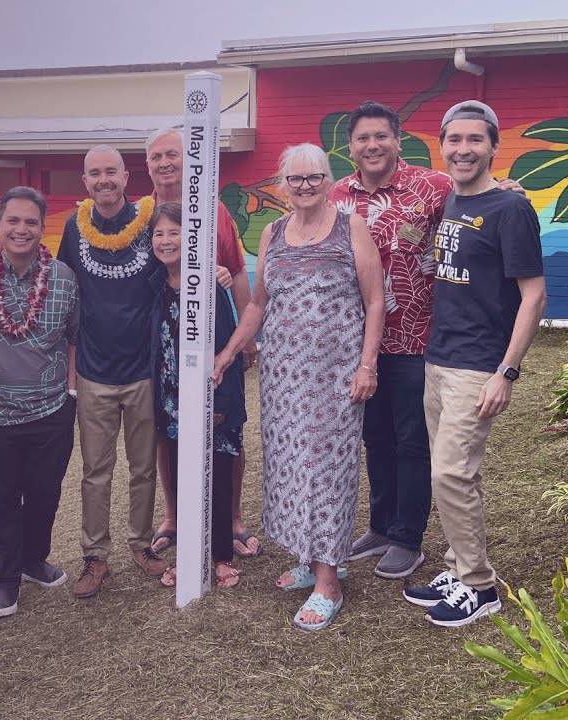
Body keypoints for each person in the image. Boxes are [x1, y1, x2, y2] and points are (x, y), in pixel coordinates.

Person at [215, 143, 385, 631]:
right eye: (295, 178)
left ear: (329, 179)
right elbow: (258, 305)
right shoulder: (272, 233)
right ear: (282, 184)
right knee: (291, 466)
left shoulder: (350, 225)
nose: (305, 185)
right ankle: (311, 558)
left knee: (327, 471)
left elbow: (375, 301)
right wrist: (228, 354)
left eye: (314, 177)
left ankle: (328, 581)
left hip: (336, 377)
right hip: (284, 377)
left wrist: (367, 365)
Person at [403, 101, 547, 628]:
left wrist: (506, 371)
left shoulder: (511, 209)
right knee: (457, 476)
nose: (463, 149)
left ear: (493, 146)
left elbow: (533, 296)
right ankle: (459, 567)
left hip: (478, 365)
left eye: (475, 140)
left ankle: (480, 587)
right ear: (443, 145)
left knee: (451, 473)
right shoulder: (450, 201)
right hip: (438, 357)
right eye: (454, 140)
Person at [328, 101, 453, 580]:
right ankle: (380, 526)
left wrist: (504, 187)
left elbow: (476, 197)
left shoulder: (433, 187)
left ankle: (407, 537)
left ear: (397, 140)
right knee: (374, 438)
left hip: (417, 337)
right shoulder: (337, 196)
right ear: (351, 146)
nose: (372, 145)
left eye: (381, 136)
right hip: (358, 345)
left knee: (411, 441)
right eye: (362, 138)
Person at [0, 186, 79, 619]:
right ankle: (5, 578)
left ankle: (33, 559)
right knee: (1, 499)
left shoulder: (62, 276)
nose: (21, 229)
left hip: (51, 409)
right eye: (14, 220)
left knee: (45, 493)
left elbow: (74, 338)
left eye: (31, 222)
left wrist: (72, 392)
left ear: (43, 229)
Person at [143, 127, 262, 560]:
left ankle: (230, 518)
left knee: (226, 425)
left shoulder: (213, 210)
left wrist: (246, 341)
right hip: (163, 345)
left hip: (215, 344)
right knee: (166, 431)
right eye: (156, 157)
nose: (165, 163)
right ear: (147, 165)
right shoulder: (140, 214)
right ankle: (174, 516)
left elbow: (236, 271)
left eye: (173, 154)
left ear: (189, 162)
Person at [58, 144, 171, 597]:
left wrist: (220, 272)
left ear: (127, 177)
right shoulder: (74, 227)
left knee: (143, 467)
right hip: (93, 370)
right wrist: (69, 366)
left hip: (143, 368)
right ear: (85, 183)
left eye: (111, 172)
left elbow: (177, 267)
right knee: (95, 471)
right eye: (94, 174)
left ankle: (141, 545)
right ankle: (95, 556)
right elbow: (63, 290)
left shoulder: (150, 222)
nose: (103, 180)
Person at [146, 202, 246, 590]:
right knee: (181, 478)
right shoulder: (153, 283)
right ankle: (188, 555)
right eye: (159, 233)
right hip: (172, 402)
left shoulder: (209, 284)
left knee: (218, 476)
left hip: (213, 397)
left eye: (176, 232)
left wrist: (219, 406)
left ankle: (221, 556)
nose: (167, 240)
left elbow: (225, 348)